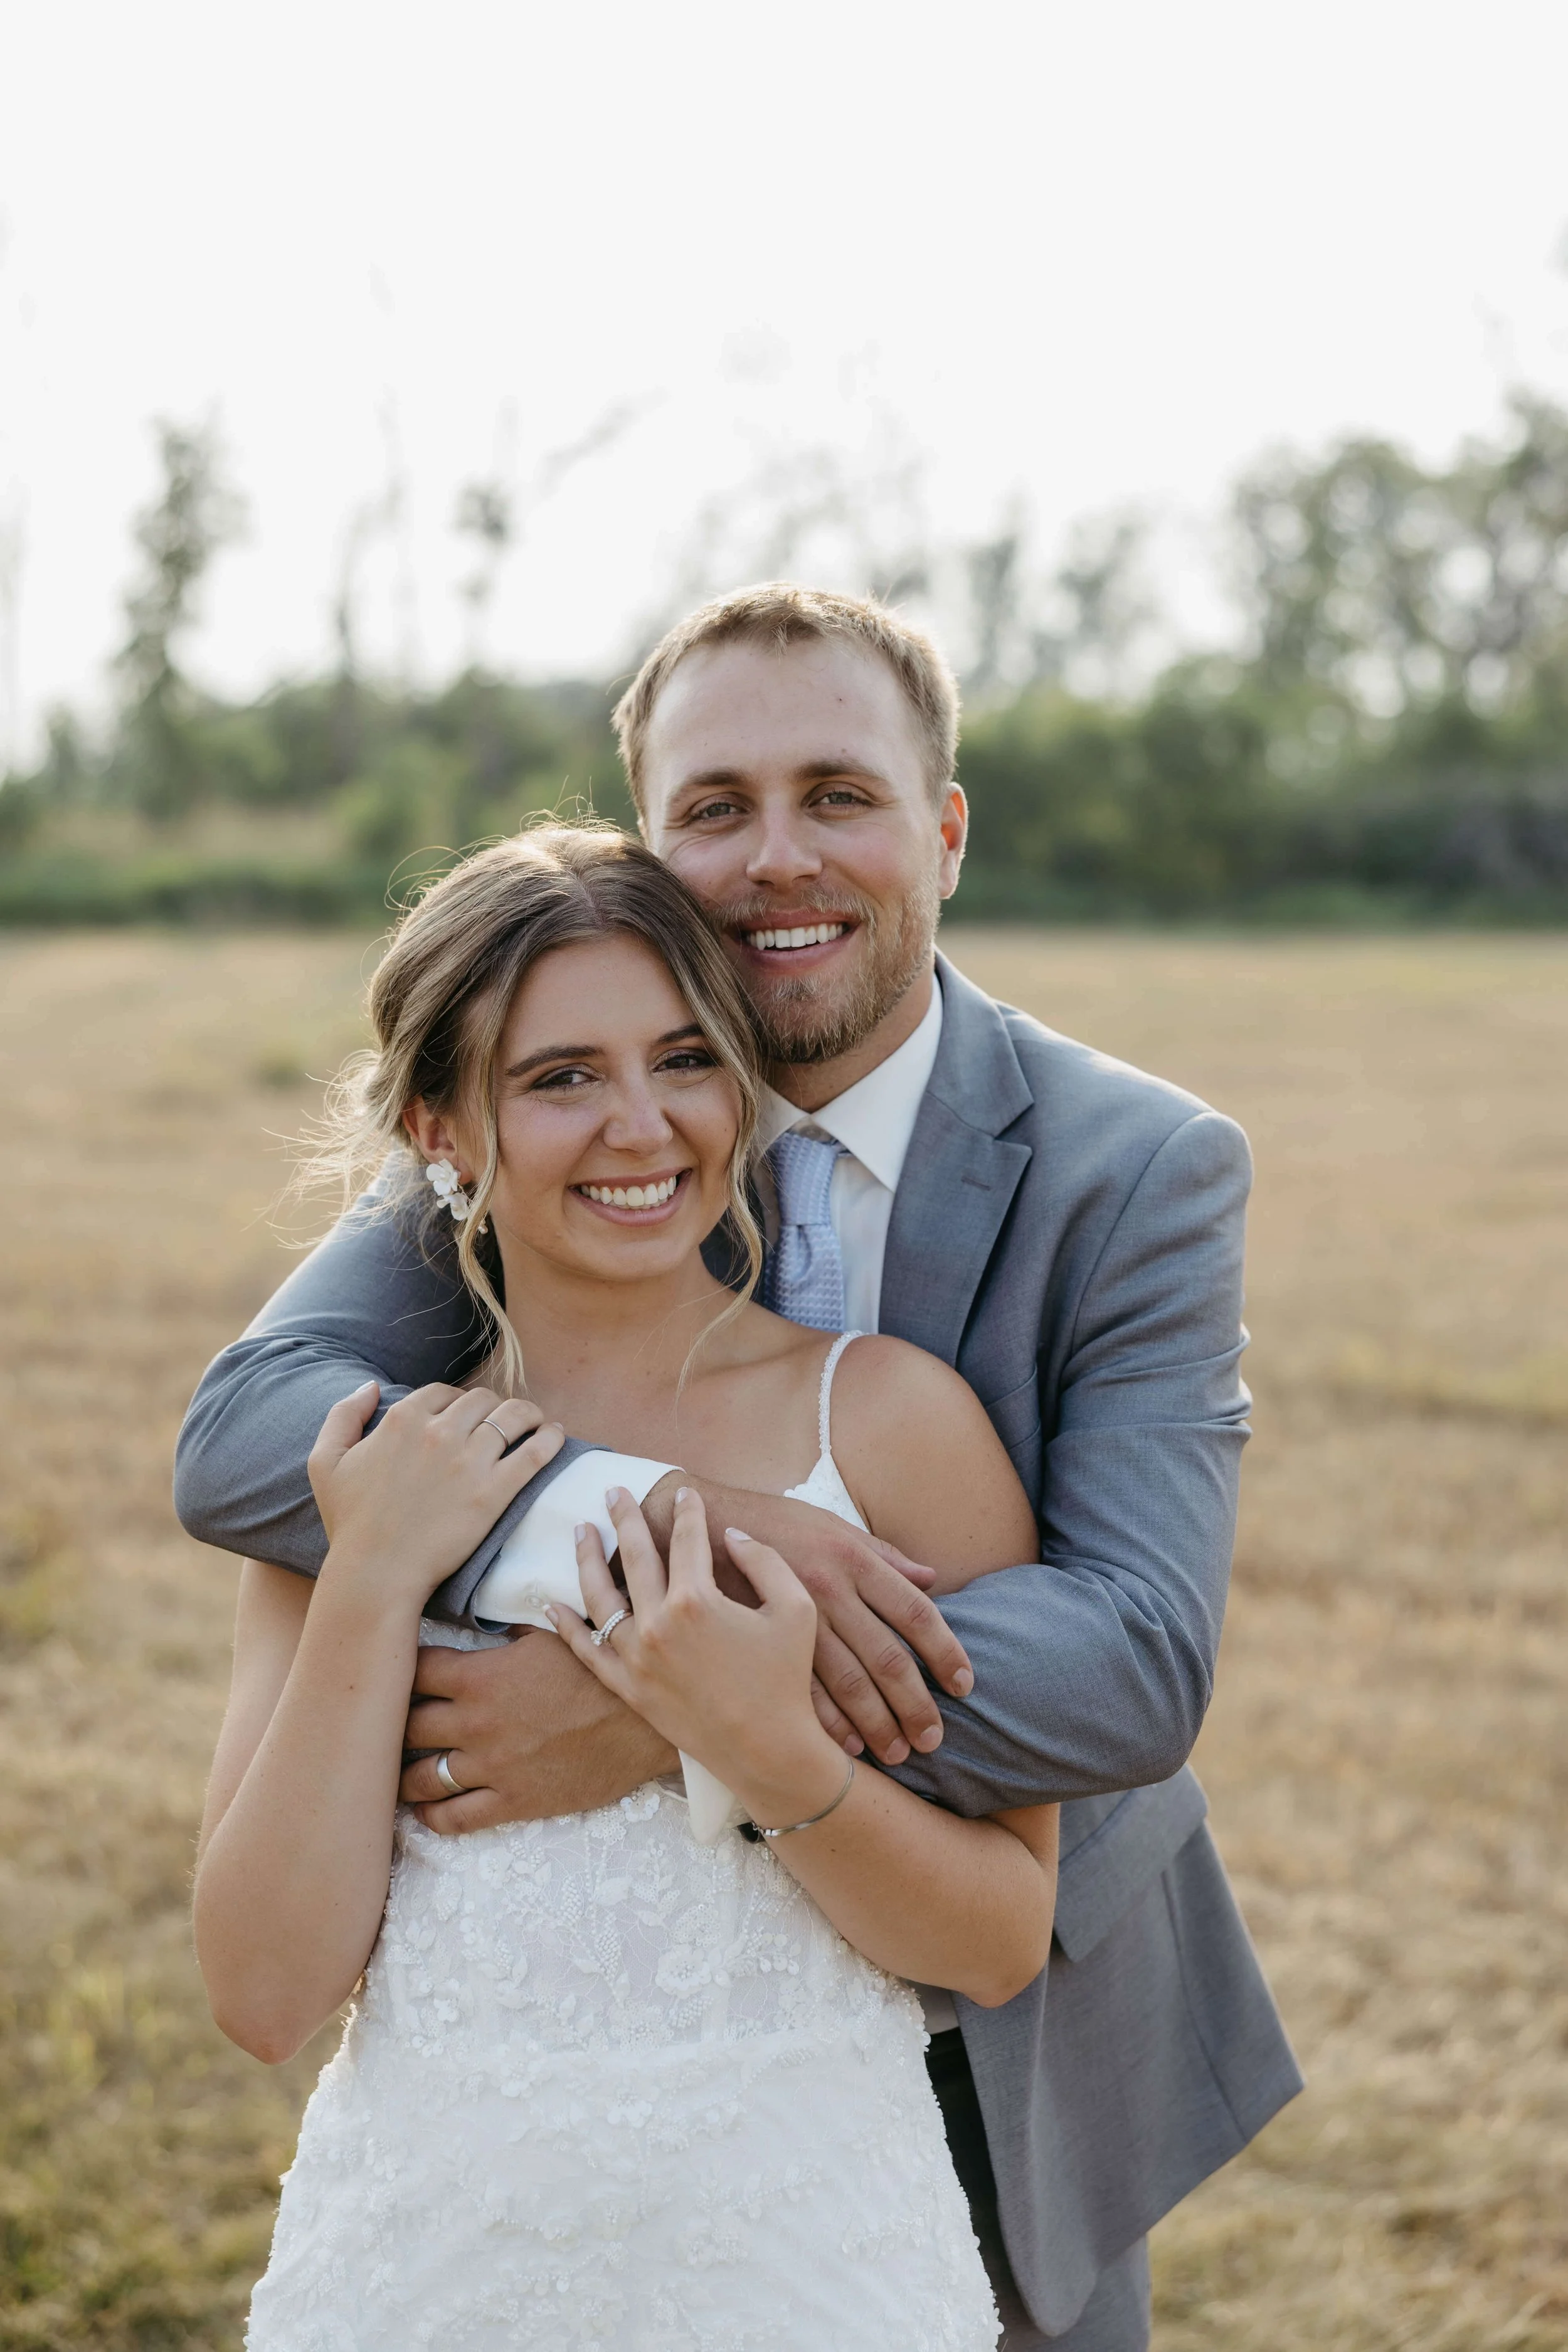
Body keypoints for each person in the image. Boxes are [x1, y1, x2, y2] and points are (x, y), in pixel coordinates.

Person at [177, 583, 1303, 2349]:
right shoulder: (539, 1110)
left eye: (837, 795)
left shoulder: (1133, 1167)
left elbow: (1132, 1661)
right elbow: (249, 1432)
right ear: (648, 845)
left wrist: (662, 1694)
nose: (776, 854)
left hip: (987, 2044)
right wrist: (651, 1521)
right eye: (714, 807)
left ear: (941, 831)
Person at [196, 825, 1058, 2347]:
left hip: (808, 2271)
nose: (641, 1125)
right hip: (425, 2272)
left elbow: (995, 1943)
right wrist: (375, 1574)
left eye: (683, 1059)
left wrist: (758, 1747)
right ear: (437, 1126)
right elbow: (266, 1996)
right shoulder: (371, 1484)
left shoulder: (891, 1428)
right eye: (558, 1078)